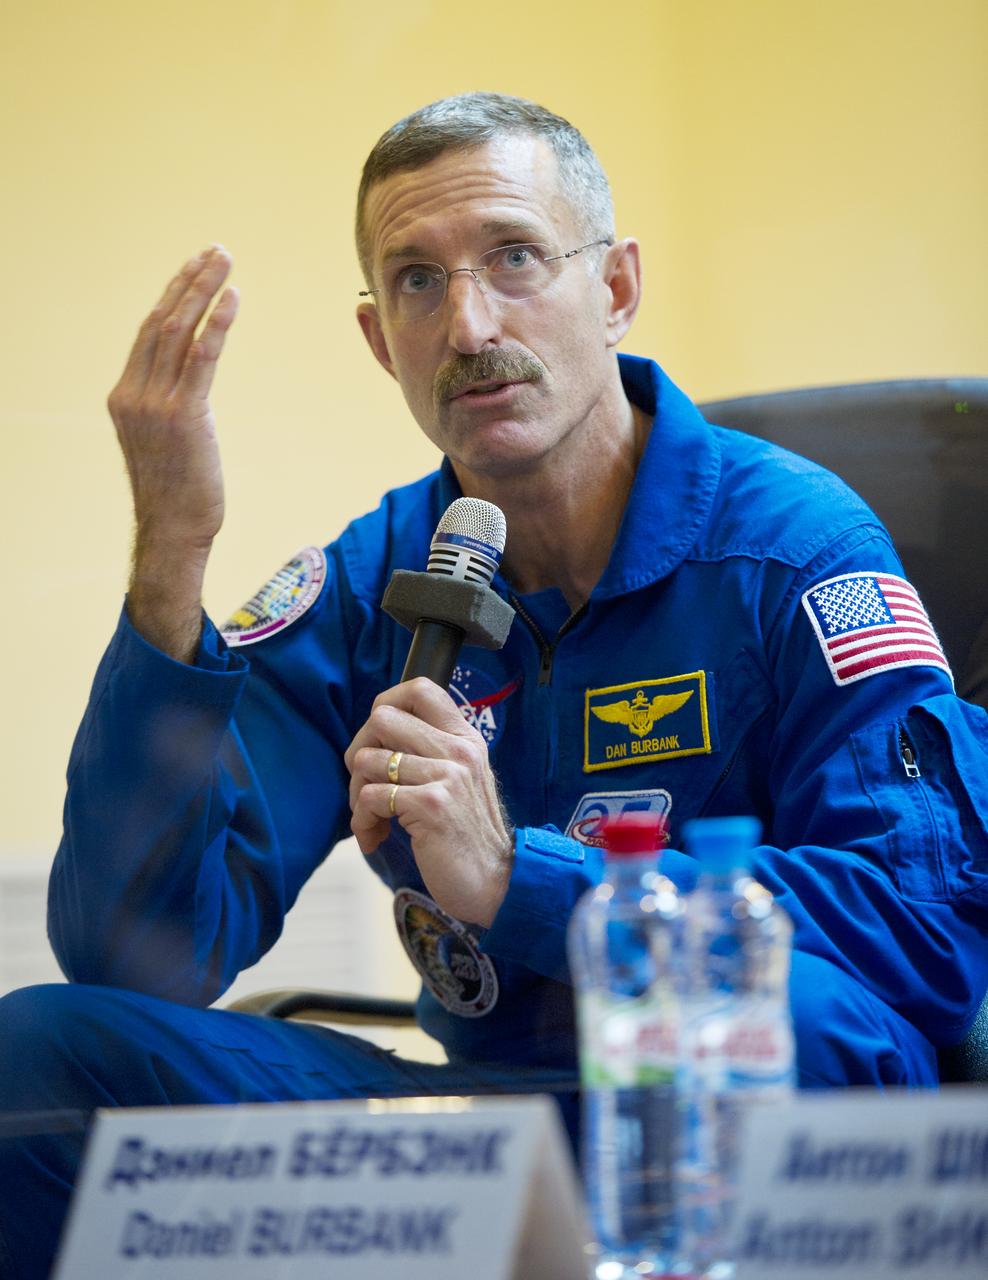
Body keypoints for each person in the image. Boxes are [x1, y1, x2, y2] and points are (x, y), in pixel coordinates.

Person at [2, 91, 987, 1279]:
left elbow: (925, 933)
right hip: (486, 1140)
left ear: (614, 287)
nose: (467, 325)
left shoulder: (794, 549)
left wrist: (526, 879)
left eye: (514, 257)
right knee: (43, 1056)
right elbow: (139, 961)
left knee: (777, 1019)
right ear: (380, 340)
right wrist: (170, 555)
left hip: (744, 1117)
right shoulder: (369, 582)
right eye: (416, 280)